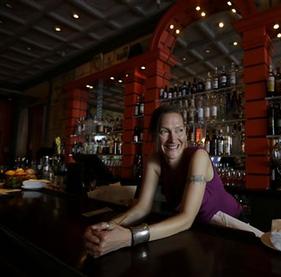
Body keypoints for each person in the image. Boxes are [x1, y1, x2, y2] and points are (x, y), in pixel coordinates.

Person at [84, 104, 244, 257]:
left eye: (179, 130)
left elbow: (186, 218)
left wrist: (130, 237)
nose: (173, 139)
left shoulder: (198, 157)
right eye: (164, 131)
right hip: (201, 231)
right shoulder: (154, 161)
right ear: (154, 136)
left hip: (231, 228)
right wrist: (108, 227)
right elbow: (142, 208)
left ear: (186, 132)